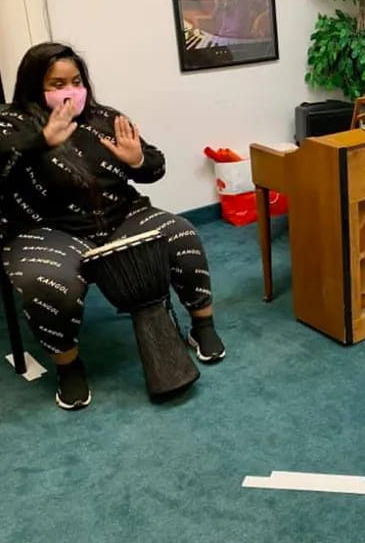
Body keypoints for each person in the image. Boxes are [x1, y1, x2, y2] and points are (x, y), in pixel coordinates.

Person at [0, 42, 226, 410]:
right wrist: (38, 142)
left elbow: (155, 165)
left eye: (76, 80)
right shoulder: (12, 122)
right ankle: (68, 365)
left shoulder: (104, 118)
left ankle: (202, 326)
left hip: (123, 217)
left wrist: (138, 161)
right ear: (33, 84)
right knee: (44, 282)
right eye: (57, 83)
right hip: (48, 231)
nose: (69, 90)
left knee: (182, 235)